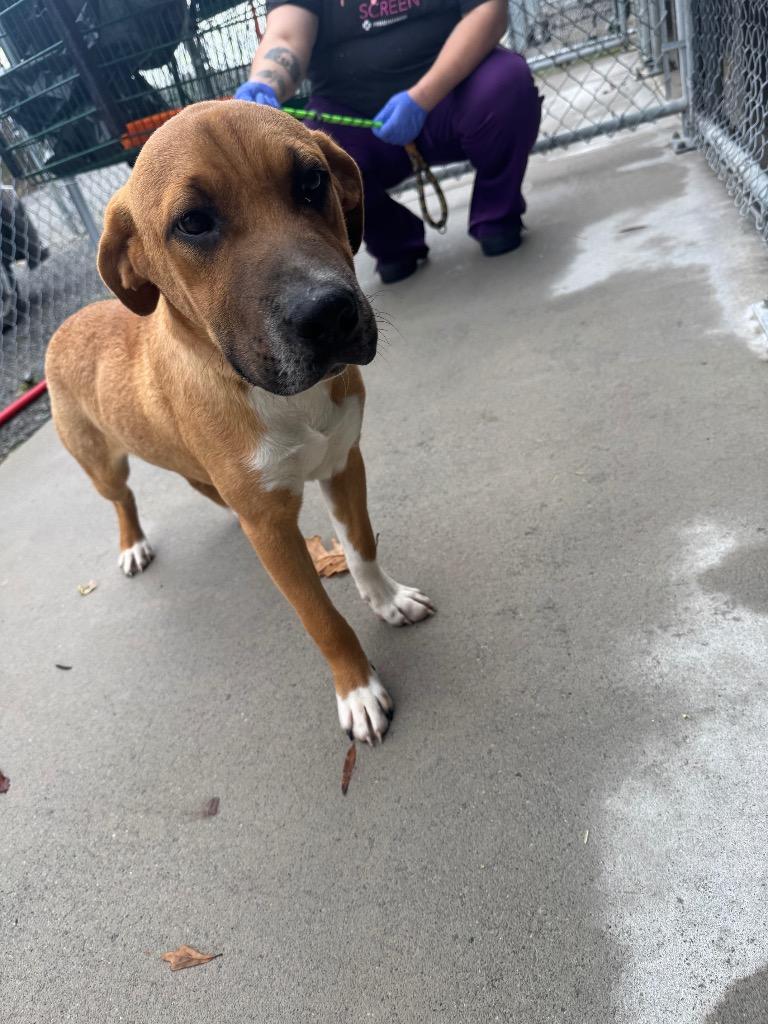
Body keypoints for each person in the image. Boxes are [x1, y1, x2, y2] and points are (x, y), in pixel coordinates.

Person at [235, 0, 542, 283]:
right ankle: (393, 240)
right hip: (355, 115)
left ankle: (497, 214)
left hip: (453, 94)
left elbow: (487, 11)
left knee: (507, 86)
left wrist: (422, 97)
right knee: (318, 156)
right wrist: (265, 82)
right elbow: (287, 35)